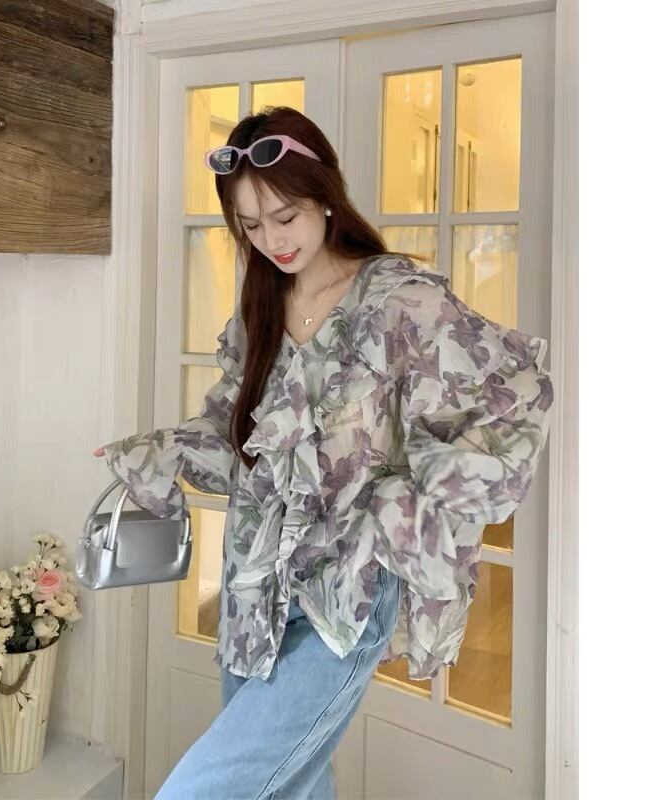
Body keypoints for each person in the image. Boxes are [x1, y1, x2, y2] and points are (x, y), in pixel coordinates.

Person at [93, 106, 554, 799]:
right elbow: (237, 438)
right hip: (253, 584)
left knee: (203, 790)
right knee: (293, 787)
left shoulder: (401, 303)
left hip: (345, 593)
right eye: (251, 225)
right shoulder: (261, 306)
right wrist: (155, 452)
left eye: (285, 217)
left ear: (326, 197)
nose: (271, 240)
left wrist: (408, 497)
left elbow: (515, 395)